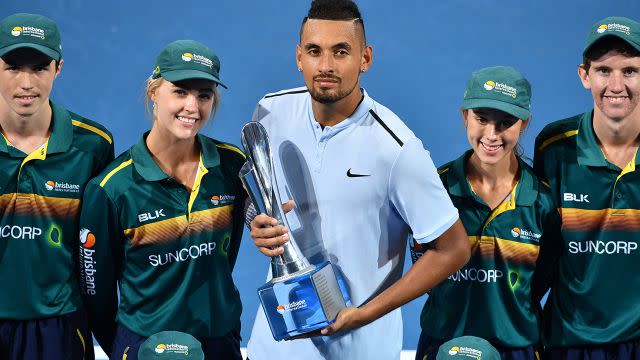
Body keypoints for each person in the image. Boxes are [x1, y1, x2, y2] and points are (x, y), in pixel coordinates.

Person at [246, 1, 470, 358]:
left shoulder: (395, 148)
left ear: (365, 58)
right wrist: (255, 223)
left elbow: (453, 248)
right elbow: (259, 197)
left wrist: (364, 315)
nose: (326, 66)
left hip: (361, 348)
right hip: (275, 345)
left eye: (341, 52)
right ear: (298, 56)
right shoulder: (271, 112)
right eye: (315, 51)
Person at [78, 40, 247, 359]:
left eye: (204, 95)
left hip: (219, 339)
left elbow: (226, 254)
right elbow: (96, 293)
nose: (193, 107)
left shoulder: (232, 165)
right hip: (146, 345)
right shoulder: (112, 188)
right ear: (153, 92)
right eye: (180, 91)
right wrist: (126, 347)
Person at [412, 66, 560, 360]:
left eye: (505, 123)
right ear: (464, 115)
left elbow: (542, 280)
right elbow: (423, 267)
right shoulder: (436, 189)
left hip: (517, 348)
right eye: (481, 119)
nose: (491, 135)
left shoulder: (543, 201)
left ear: (524, 123)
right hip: (442, 344)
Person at [0, 12, 114, 360]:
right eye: (13, 67)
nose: (26, 83)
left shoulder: (93, 145)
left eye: (39, 67)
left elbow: (101, 247)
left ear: (58, 69)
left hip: (59, 327)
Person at [534, 16, 640, 359]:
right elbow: (543, 248)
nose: (616, 84)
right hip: (569, 340)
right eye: (604, 70)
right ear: (585, 76)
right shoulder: (554, 146)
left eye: (630, 71)